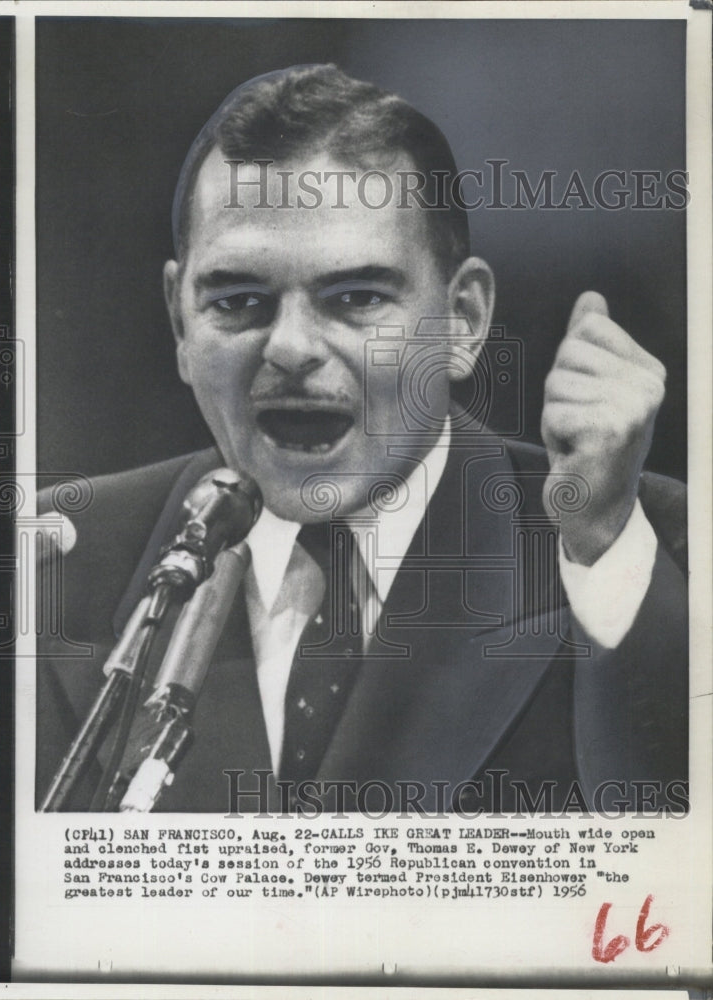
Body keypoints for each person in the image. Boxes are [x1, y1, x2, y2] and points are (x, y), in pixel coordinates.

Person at [36, 64, 687, 814]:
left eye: (355, 298)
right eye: (240, 301)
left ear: (464, 319)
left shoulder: (648, 548)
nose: (289, 347)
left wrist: (603, 546)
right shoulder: (52, 564)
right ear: (182, 323)